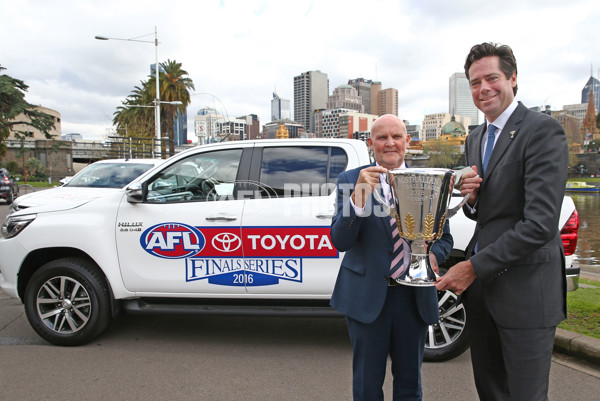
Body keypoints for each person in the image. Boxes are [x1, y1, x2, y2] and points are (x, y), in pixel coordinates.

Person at [436, 43, 568, 401]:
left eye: (492, 78)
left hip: (526, 292)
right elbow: (484, 212)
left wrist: (472, 268)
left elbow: (540, 224)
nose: (483, 89)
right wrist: (473, 200)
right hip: (484, 296)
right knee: (491, 392)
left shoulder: (542, 131)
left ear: (512, 78)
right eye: (475, 83)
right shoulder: (476, 137)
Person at [330, 114, 453, 401]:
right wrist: (359, 196)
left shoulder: (429, 180)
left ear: (407, 141)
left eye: (396, 136)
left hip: (414, 297)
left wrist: (433, 255)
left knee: (410, 385)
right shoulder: (351, 180)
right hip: (367, 295)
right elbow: (340, 240)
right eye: (382, 138)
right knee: (367, 386)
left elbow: (445, 237)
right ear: (370, 143)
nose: (390, 143)